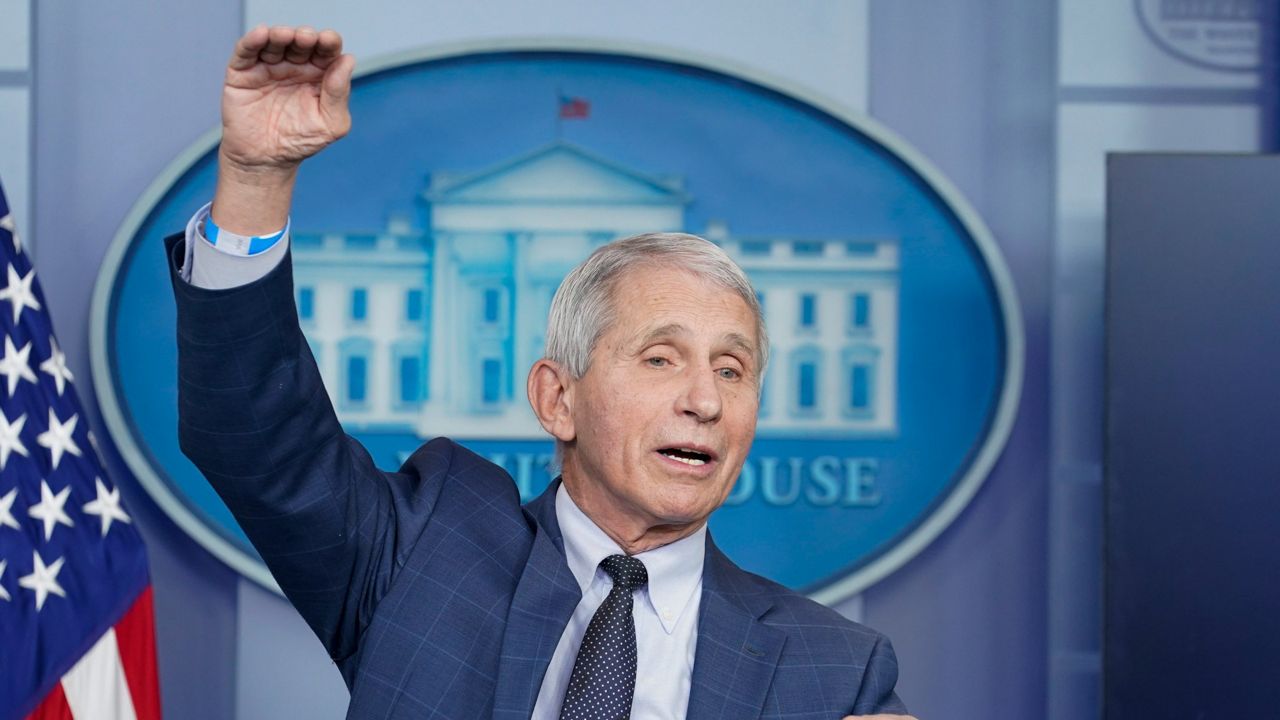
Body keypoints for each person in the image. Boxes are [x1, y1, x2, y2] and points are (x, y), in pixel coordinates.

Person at [168, 24, 914, 720]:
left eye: (732, 369)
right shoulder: (420, 559)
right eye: (661, 358)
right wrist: (256, 177)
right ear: (558, 398)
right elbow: (257, 439)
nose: (704, 400)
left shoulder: (833, 669)